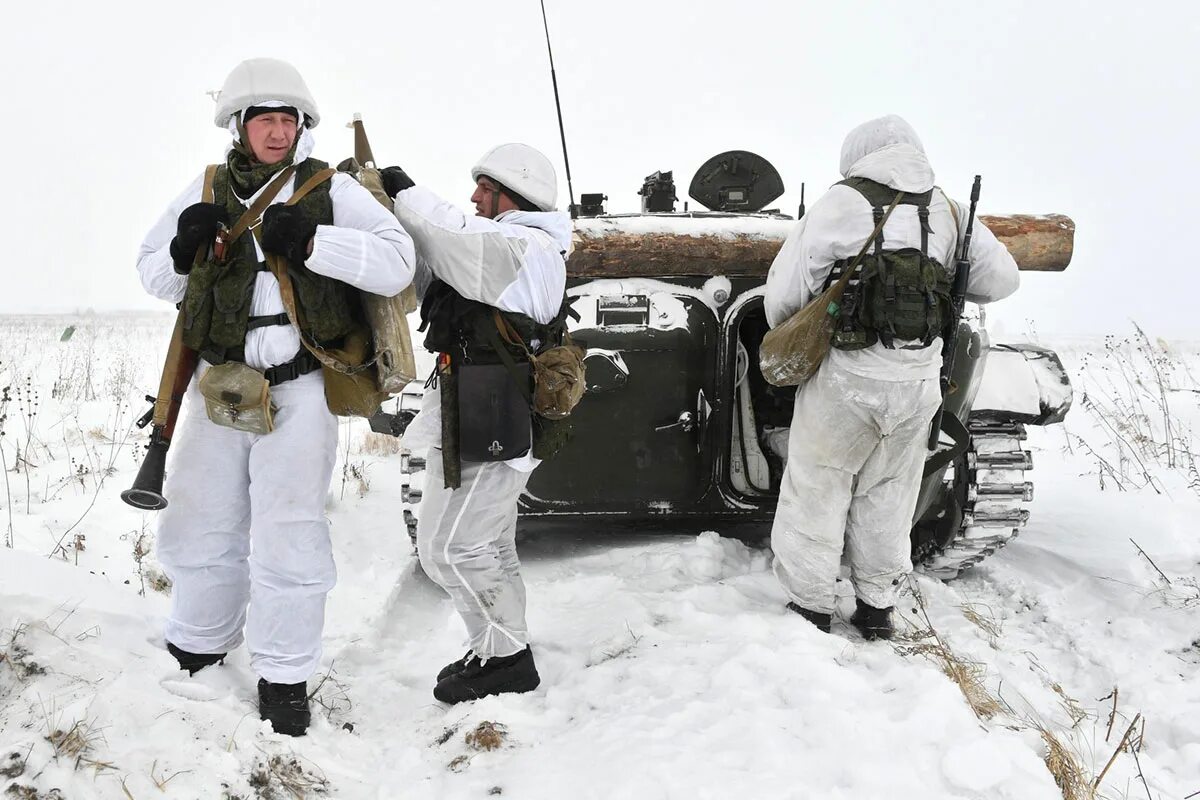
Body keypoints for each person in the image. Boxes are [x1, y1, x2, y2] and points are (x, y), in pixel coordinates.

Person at [136, 57, 415, 735]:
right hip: (220, 388)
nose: (278, 129)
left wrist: (316, 241)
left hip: (299, 388)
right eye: (265, 118)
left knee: (289, 534)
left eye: (288, 118)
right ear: (240, 124)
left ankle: (285, 675)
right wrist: (185, 251)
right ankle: (199, 643)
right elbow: (152, 270)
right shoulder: (207, 186)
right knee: (199, 522)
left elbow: (397, 261)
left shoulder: (328, 189)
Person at [763, 115, 1019, 640]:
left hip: (848, 378)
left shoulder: (840, 202)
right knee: (890, 493)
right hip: (919, 381)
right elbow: (1004, 279)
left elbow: (783, 298)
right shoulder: (950, 209)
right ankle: (877, 608)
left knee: (819, 485)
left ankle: (810, 608)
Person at [380, 143, 571, 704]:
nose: (474, 197)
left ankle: (507, 661)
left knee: (449, 549)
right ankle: (500, 646)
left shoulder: (523, 246)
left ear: (518, 196)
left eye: (486, 188)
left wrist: (403, 191)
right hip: (483, 412)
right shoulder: (513, 246)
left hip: (496, 419)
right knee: (490, 545)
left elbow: (453, 234)